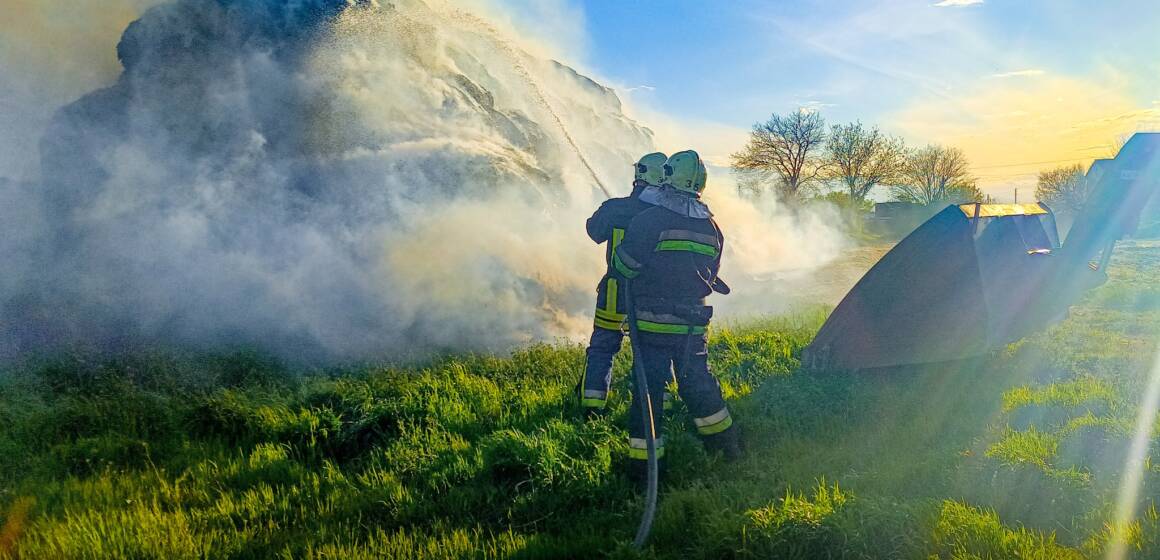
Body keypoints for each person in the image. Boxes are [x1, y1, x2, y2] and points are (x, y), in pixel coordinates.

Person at [611, 149, 741, 483]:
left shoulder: (649, 220)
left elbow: (625, 267)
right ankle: (727, 450)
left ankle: (646, 471)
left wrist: (621, 252)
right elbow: (711, 275)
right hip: (692, 325)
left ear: (667, 177)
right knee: (697, 383)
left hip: (651, 324)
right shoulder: (712, 228)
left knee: (649, 392)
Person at [578, 152, 675, 418]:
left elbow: (593, 230)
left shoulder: (615, 208)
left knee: (602, 347)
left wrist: (612, 213)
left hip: (614, 292)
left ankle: (592, 408)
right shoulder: (665, 214)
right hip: (650, 295)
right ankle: (662, 406)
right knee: (653, 350)